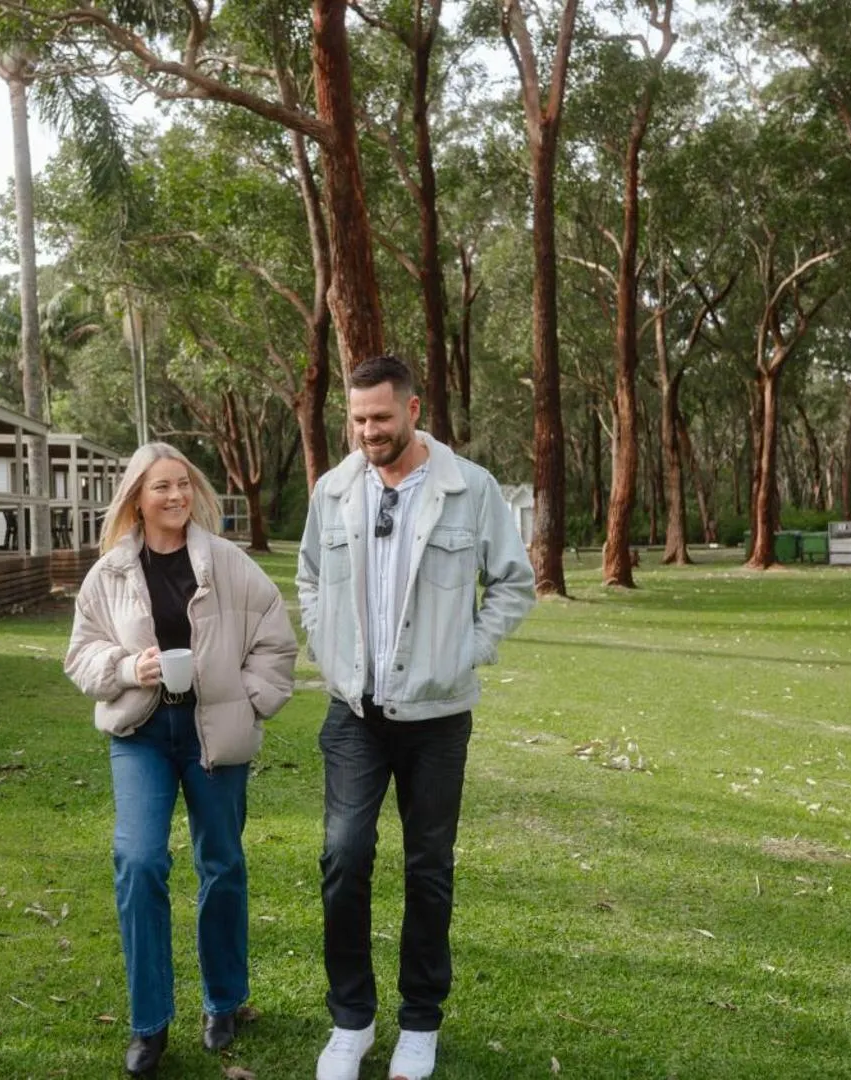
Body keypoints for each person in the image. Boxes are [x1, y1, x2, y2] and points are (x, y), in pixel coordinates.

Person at [295, 355, 535, 1080]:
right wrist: (328, 647)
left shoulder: (470, 489)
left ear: (412, 409)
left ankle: (419, 1025)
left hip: (436, 716)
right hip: (353, 713)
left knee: (427, 867)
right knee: (343, 856)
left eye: (381, 417)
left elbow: (512, 583)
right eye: (358, 418)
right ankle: (352, 1022)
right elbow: (308, 578)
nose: (368, 430)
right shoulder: (333, 489)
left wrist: (468, 649)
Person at [65, 442, 299, 1076]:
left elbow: (276, 639)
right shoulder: (109, 573)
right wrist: (124, 666)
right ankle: (149, 1024)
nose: (174, 496)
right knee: (138, 861)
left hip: (212, 733)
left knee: (220, 861)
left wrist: (249, 702)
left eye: (182, 485)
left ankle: (223, 1000)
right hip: (141, 733)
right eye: (160, 487)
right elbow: (81, 655)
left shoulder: (228, 563)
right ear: (136, 498)